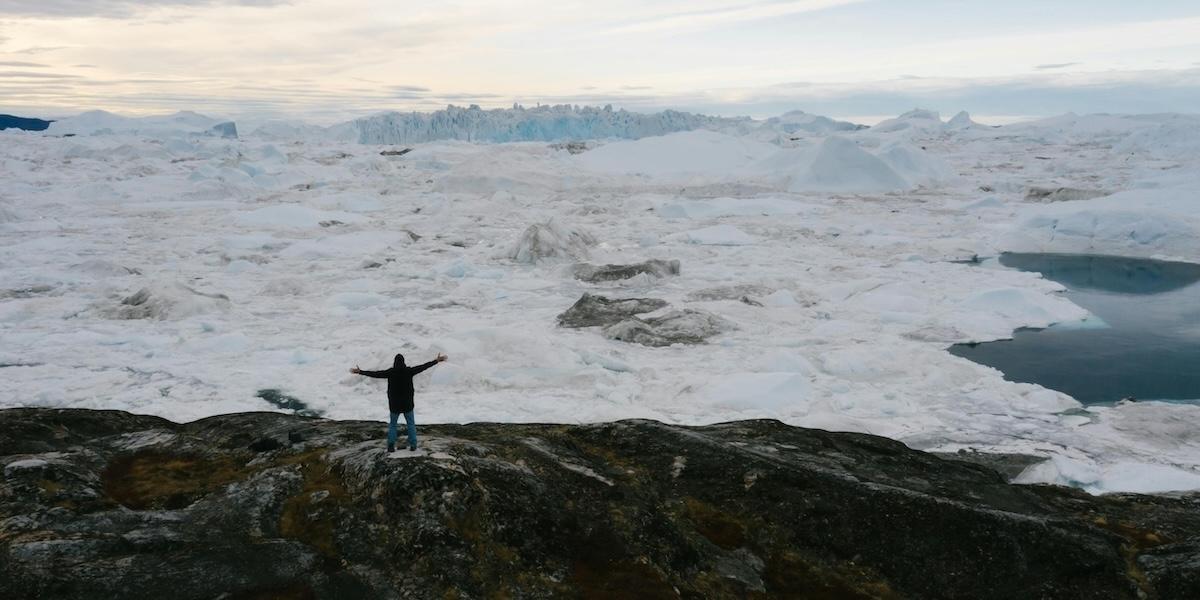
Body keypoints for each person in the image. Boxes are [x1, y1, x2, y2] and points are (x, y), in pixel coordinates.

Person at [351, 352, 447, 452]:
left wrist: (360, 372)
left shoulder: (390, 372)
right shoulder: (409, 371)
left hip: (394, 404)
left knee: (393, 424)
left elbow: (376, 374)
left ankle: (391, 445)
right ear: (403, 362)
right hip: (408, 404)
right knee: (410, 424)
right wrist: (436, 361)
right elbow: (423, 367)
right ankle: (413, 445)